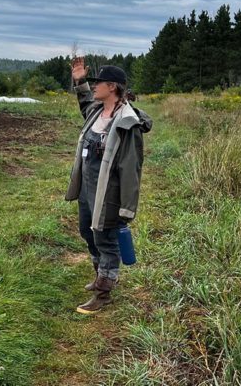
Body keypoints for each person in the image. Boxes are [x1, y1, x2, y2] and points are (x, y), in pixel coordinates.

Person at [65, 57, 152, 314]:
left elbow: (131, 168)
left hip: (109, 191)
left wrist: (126, 207)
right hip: (88, 186)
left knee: (106, 238)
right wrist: (79, 80)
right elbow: (84, 102)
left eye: (98, 83)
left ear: (112, 86)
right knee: (87, 231)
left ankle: (104, 292)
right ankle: (100, 274)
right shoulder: (96, 111)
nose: (94, 87)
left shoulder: (127, 122)